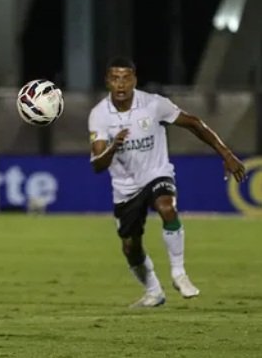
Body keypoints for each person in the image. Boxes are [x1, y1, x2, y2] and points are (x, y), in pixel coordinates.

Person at [88, 57, 246, 308]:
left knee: (167, 207)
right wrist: (113, 147)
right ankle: (154, 292)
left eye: (126, 78)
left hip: (157, 173)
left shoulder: (153, 104)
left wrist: (226, 154)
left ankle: (179, 273)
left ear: (134, 80)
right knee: (130, 247)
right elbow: (98, 164)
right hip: (126, 189)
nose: (121, 84)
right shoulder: (99, 115)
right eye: (115, 78)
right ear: (108, 81)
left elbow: (194, 123)